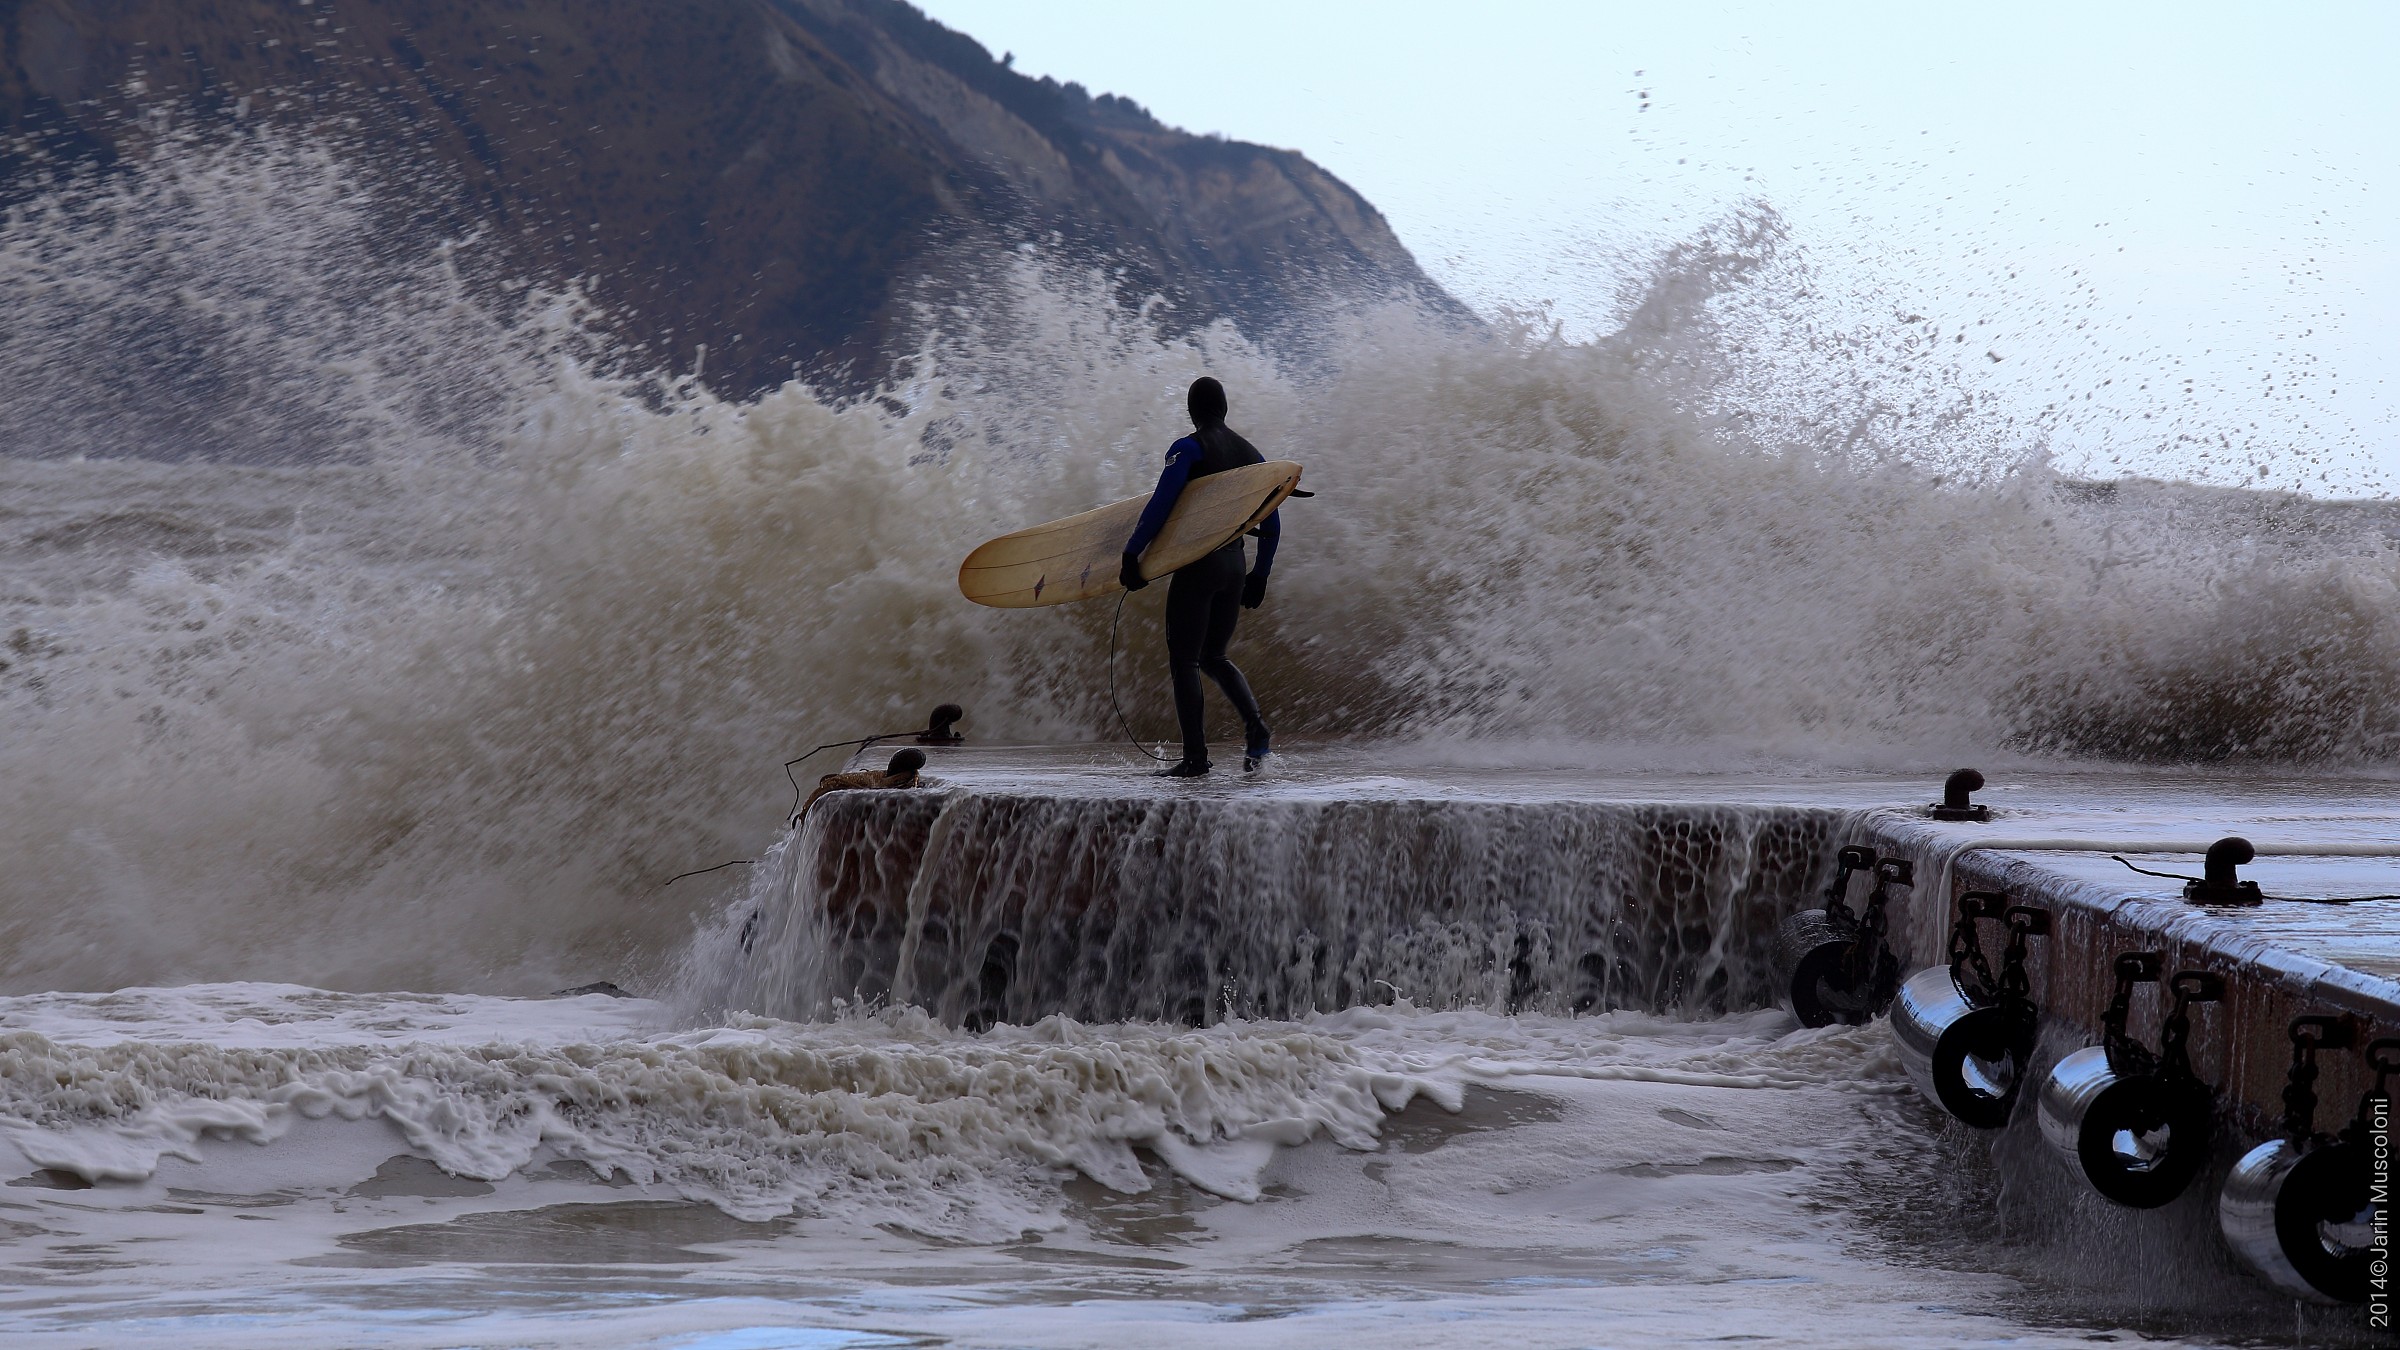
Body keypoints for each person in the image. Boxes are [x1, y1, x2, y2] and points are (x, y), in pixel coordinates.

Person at [1119, 376, 1277, 777]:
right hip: (1235, 565)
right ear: (1224, 409)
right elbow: (1272, 518)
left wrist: (1132, 552)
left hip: (1200, 565)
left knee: (1185, 661)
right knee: (1214, 655)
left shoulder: (1187, 448)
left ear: (1191, 411)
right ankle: (1256, 727)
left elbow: (1162, 502)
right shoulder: (1251, 453)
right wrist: (1260, 573)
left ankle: (1195, 758)